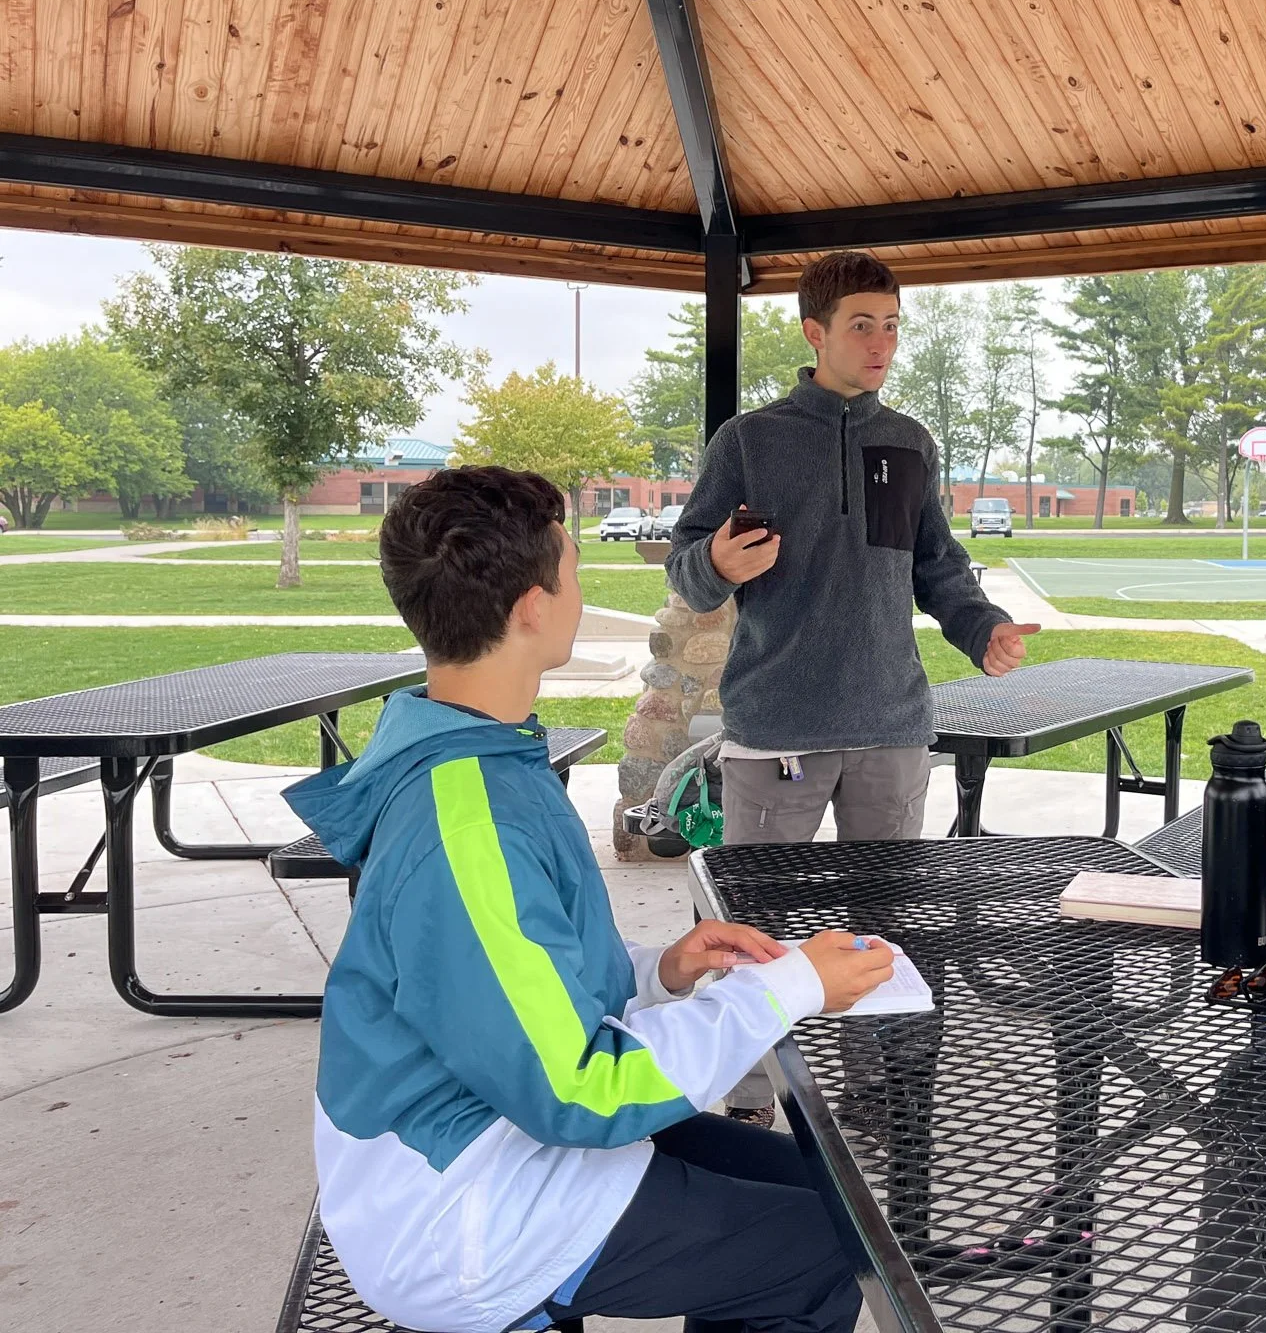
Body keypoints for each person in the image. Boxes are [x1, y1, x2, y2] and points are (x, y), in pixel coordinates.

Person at [288, 466, 895, 1333]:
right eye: (572, 569)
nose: (580, 589)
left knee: (829, 1191)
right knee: (823, 1251)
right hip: (461, 1208)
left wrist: (659, 972)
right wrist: (789, 988)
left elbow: (521, 983)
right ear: (533, 608)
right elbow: (580, 1093)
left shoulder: (479, 753)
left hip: (498, 1128)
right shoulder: (466, 820)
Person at [668, 251, 1036, 1121]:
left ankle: (882, 1090)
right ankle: (749, 1097)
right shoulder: (749, 442)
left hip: (891, 726)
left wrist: (981, 627)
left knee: (886, 922)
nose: (881, 344)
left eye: (892, 326)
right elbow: (687, 567)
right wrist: (716, 561)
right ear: (815, 332)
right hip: (776, 728)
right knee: (760, 922)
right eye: (862, 325)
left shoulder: (909, 442)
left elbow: (936, 566)